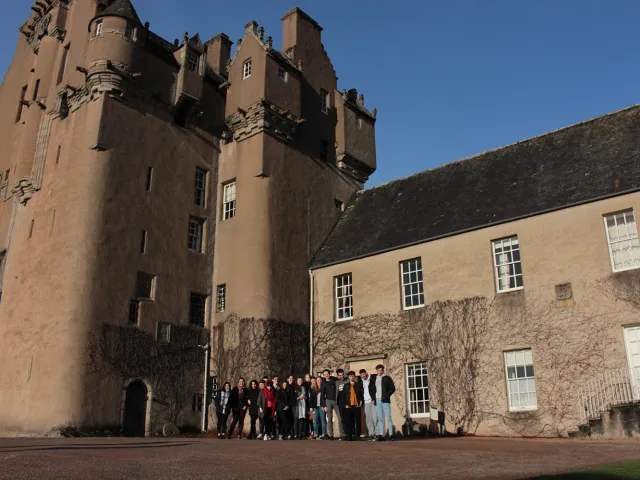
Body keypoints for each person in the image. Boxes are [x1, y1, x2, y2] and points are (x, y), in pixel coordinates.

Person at [369, 364, 396, 441]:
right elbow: (371, 388)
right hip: (377, 400)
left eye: (381, 370)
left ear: (383, 370)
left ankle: (391, 434)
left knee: (388, 417)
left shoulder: (387, 378)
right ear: (376, 371)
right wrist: (373, 398)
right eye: (378, 370)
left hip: (385, 401)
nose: (379, 372)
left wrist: (387, 395)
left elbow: (393, 388)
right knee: (380, 418)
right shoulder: (374, 378)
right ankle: (381, 434)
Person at [320, 368, 343, 440]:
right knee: (329, 419)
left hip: (335, 401)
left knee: (340, 418)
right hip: (328, 401)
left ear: (329, 374)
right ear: (323, 376)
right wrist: (324, 406)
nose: (327, 375)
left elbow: (339, 377)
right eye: (325, 374)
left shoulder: (334, 380)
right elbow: (322, 395)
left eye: (327, 374)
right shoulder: (323, 383)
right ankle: (330, 435)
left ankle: (341, 434)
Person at [343, 371, 363, 441]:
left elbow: (361, 394)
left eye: (353, 376)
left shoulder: (358, 385)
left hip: (356, 405)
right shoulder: (346, 386)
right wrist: (345, 404)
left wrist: (361, 401)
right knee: (349, 421)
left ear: (354, 376)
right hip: (349, 406)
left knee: (357, 421)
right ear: (348, 377)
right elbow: (343, 396)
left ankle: (357, 436)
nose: (352, 377)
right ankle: (349, 436)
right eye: (350, 376)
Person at [360, 369, 378, 441]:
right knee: (368, 419)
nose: (363, 376)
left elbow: (374, 389)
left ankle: (377, 434)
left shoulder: (372, 379)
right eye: (361, 375)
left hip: (372, 401)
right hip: (366, 402)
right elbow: (361, 392)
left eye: (364, 374)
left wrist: (374, 398)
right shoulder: (361, 382)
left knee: (375, 418)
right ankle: (371, 434)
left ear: (366, 373)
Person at [336, 369, 349, 440]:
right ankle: (344, 434)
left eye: (342, 375)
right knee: (342, 419)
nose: (341, 376)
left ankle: (350, 433)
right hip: (340, 403)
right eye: (340, 375)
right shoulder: (337, 382)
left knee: (348, 418)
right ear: (338, 376)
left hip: (347, 402)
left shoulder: (347, 381)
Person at [303, 373, 313, 437]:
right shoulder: (303, 385)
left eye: (309, 377)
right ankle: (306, 432)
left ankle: (312, 432)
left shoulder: (312, 385)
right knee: (306, 418)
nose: (307, 379)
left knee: (311, 418)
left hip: (311, 403)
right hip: (305, 403)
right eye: (306, 378)